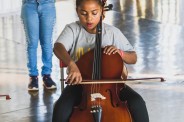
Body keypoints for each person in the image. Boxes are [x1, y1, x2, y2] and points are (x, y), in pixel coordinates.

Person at [52, 0, 149, 122]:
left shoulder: (112, 32)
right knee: (61, 108)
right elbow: (58, 47)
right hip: (80, 85)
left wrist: (120, 53)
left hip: (112, 86)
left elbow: (133, 58)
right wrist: (72, 64)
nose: (89, 18)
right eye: (83, 13)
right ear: (77, 11)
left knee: (138, 103)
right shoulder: (73, 29)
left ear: (102, 11)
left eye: (94, 13)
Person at [21, 0, 57, 91]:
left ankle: (46, 75)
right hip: (29, 5)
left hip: (48, 5)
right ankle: (33, 76)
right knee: (32, 43)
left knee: (46, 43)